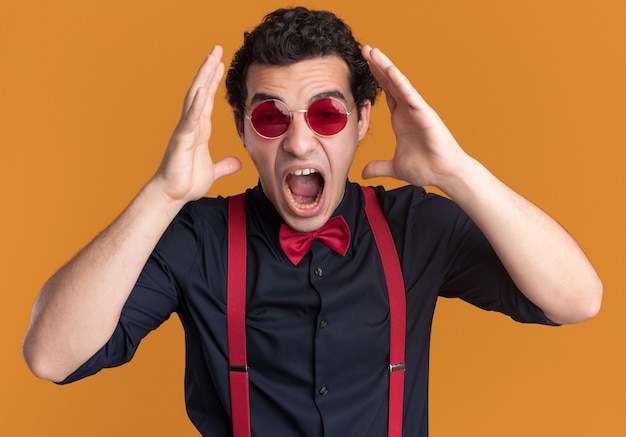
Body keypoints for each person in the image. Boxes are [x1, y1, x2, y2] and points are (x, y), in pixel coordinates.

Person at [23, 7, 602, 436]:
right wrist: (162, 194)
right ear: (245, 129)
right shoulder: (197, 239)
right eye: (271, 117)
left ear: (361, 121)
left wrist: (457, 173)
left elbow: (577, 299)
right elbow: (50, 356)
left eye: (326, 114)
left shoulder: (415, 227)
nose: (300, 142)